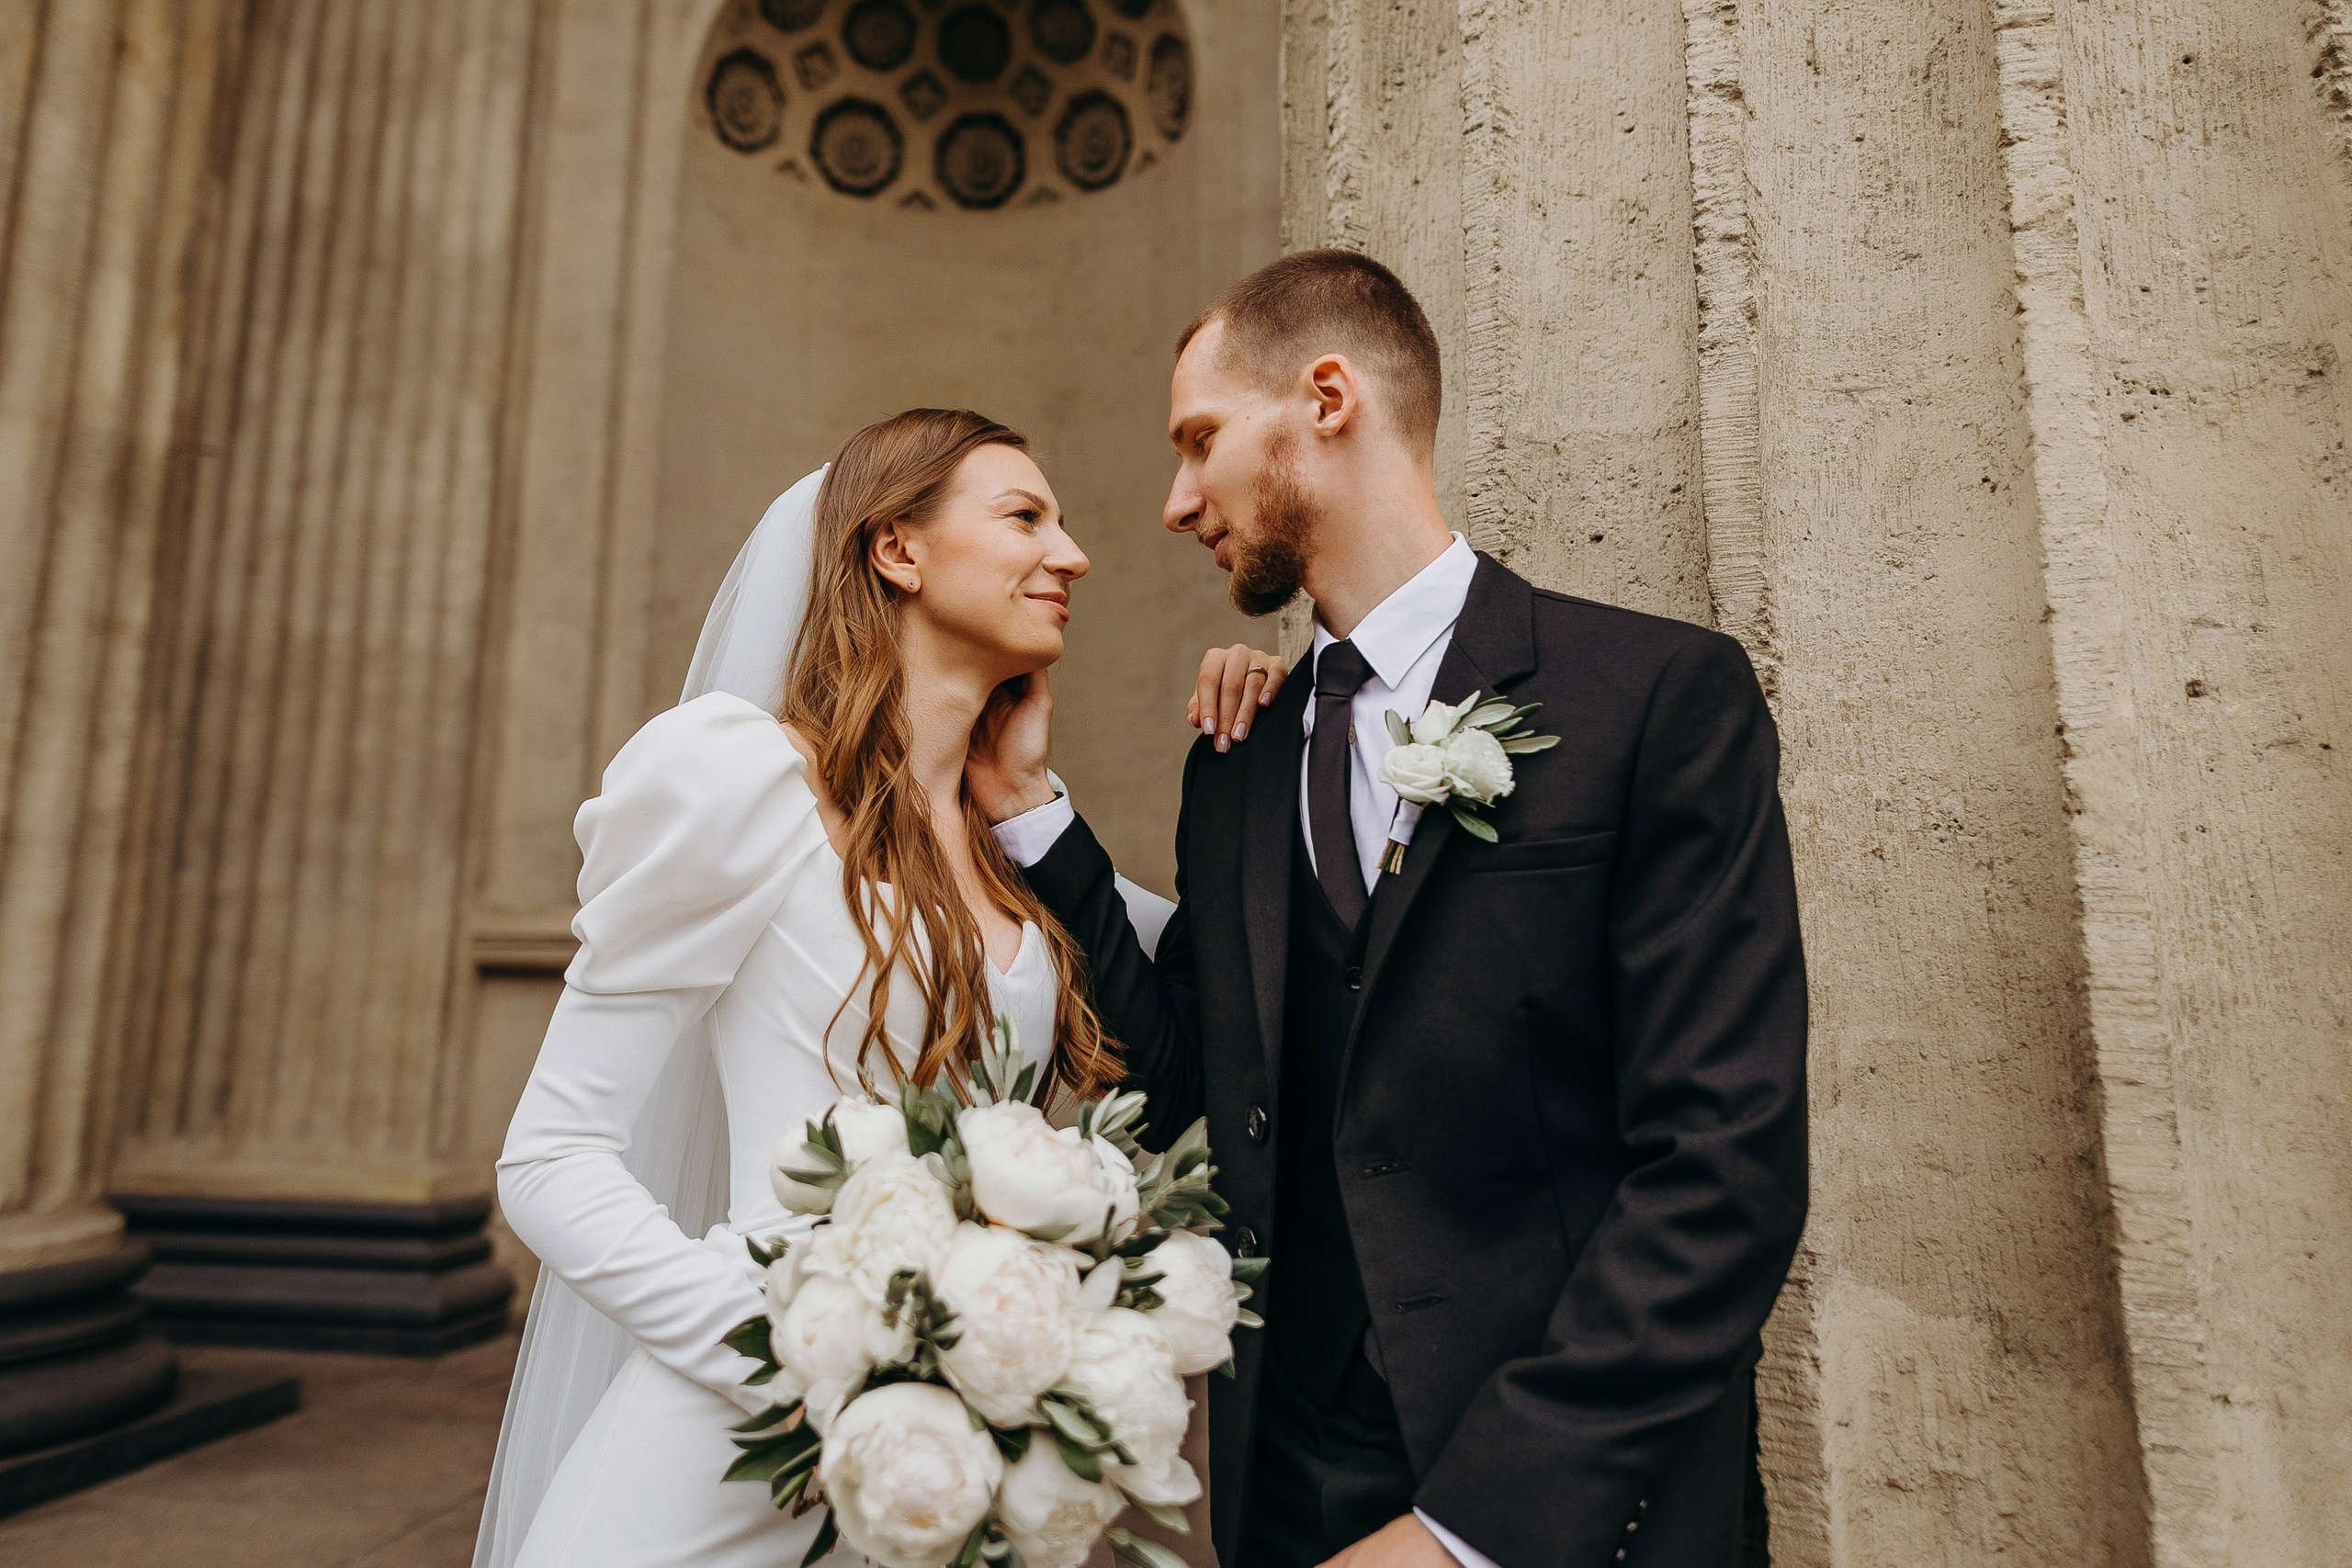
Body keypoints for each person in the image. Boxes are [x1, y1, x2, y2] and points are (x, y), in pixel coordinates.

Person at [967, 251, 1809, 1568]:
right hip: (1295, 1487)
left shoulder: (1654, 698)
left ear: (1328, 396)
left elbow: (1725, 1162)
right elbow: (1199, 1086)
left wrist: (1477, 1526)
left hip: (1579, 1504)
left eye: (1200, 440)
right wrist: (1030, 815)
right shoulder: (1238, 758)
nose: (1177, 500)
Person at [471, 410, 1280, 1568]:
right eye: (1024, 518)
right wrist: (810, 1350)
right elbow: (549, 1159)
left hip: (944, 1480)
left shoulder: (1015, 842)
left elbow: (1230, 996)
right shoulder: (740, 779)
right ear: (897, 551)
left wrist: (1287, 743)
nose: (1074, 554)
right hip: (736, 1443)